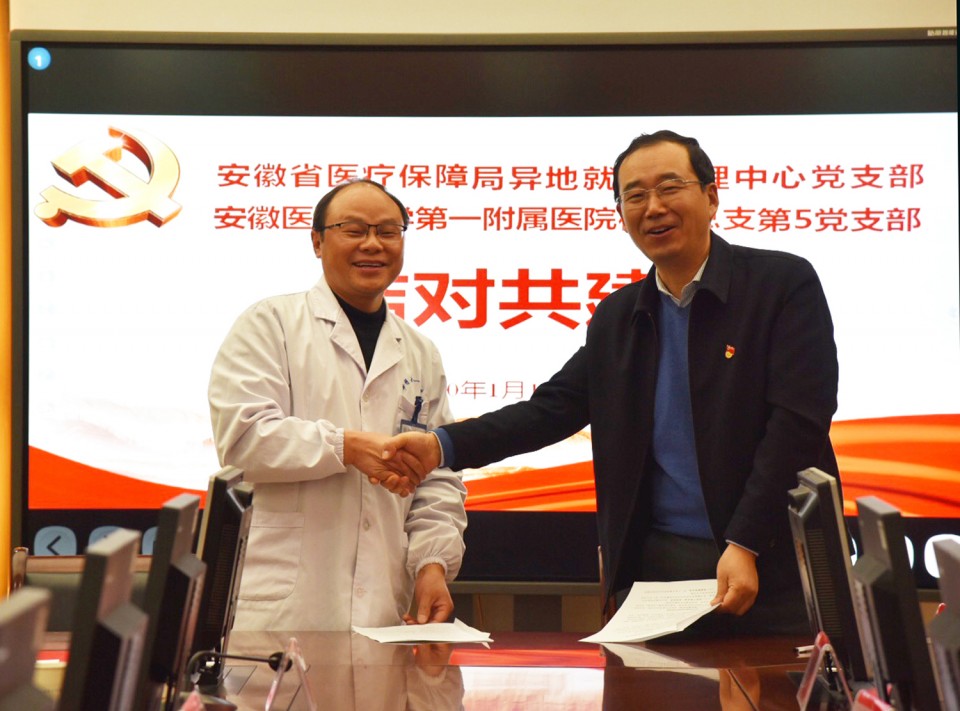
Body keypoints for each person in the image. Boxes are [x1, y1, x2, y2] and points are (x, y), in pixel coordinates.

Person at [381, 130, 839, 635]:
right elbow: (551, 410)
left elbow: (798, 425)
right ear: (620, 215)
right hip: (659, 575)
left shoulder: (781, 285)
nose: (654, 207)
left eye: (670, 187)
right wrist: (440, 446)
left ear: (711, 197)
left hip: (774, 562)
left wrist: (745, 541)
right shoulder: (621, 316)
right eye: (634, 196)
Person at [208, 178, 467, 631]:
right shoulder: (270, 324)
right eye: (354, 230)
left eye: (388, 231)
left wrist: (432, 564)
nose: (373, 244)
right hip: (282, 610)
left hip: (385, 606)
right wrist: (346, 447)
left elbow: (437, 477)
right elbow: (244, 440)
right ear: (317, 241)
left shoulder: (420, 351)